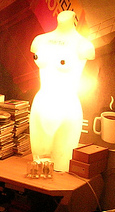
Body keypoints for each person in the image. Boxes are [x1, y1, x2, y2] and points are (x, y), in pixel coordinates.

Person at [29, 10, 95, 172]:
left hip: (67, 107)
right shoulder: (40, 40)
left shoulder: (83, 45)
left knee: (62, 166)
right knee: (39, 166)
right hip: (42, 104)